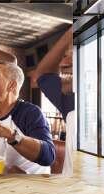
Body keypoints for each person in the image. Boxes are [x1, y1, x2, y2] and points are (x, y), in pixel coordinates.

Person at [32, 27, 75, 176]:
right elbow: (42, 74)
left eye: (74, 55)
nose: (62, 64)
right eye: (65, 56)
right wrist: (67, 37)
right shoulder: (69, 99)